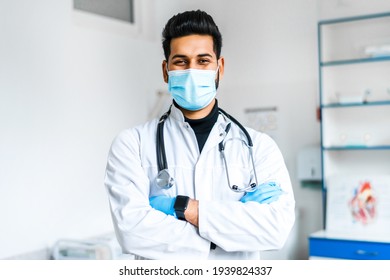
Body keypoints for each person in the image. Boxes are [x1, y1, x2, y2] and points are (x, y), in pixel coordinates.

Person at [104, 9, 295, 260]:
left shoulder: (259, 147)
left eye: (203, 61)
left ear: (220, 68)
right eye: (181, 61)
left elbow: (275, 230)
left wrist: (185, 209)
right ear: (166, 70)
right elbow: (132, 232)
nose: (192, 70)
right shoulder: (132, 144)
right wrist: (230, 227)